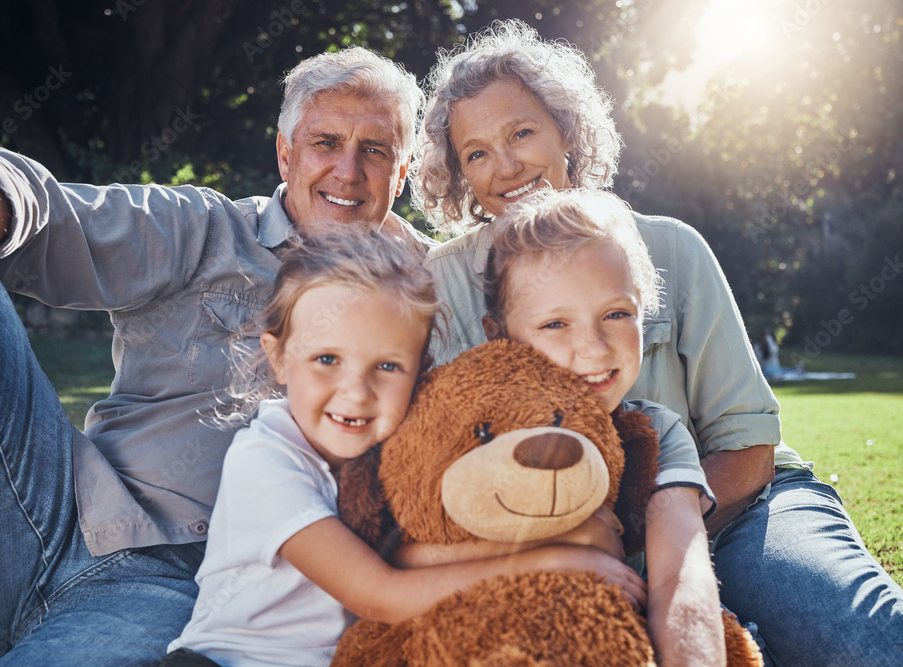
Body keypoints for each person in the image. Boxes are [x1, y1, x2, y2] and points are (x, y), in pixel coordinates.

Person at [0, 47, 433, 665]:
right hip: (43, 524)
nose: (347, 171)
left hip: (181, 590)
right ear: (285, 152)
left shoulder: (432, 290)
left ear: (402, 172)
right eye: (325, 142)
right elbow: (28, 201)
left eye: (375, 149)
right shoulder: (200, 229)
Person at [411, 19, 903, 666]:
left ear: (567, 130)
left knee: (857, 638)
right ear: (459, 175)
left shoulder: (671, 246)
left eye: (521, 133)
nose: (505, 167)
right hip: (550, 548)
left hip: (744, 511)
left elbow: (749, 446)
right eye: (476, 153)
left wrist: (647, 540)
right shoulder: (441, 283)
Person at [158, 231, 628, 667]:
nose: (356, 392)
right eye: (327, 359)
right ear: (279, 357)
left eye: (386, 365)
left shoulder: (396, 451)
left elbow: (415, 554)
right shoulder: (263, 461)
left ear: (421, 371)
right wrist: (554, 556)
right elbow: (379, 592)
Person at [485, 188, 724, 663]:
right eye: (556, 324)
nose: (593, 348)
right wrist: (553, 559)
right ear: (501, 337)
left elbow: (681, 578)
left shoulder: (655, 432)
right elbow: (406, 562)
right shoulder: (473, 429)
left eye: (617, 314)